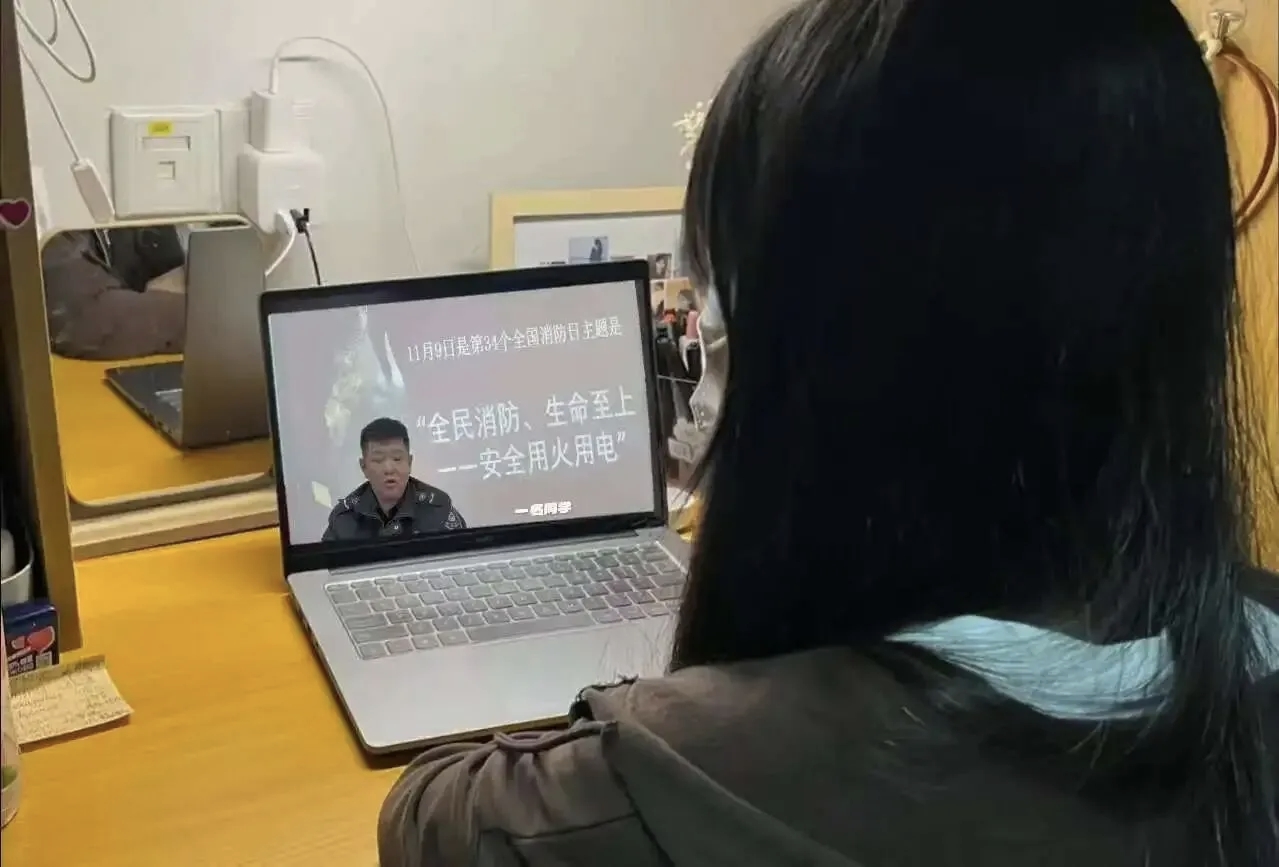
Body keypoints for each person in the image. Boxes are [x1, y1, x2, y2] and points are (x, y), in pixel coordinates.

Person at [379, 2, 1279, 866]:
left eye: (720, 341)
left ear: (837, 386)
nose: (704, 404)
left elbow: (429, 819)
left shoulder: (662, 782)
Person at [322, 418, 465, 542]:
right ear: (363, 467)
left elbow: (464, 558)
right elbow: (326, 564)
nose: (389, 469)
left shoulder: (438, 509)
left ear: (409, 462)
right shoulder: (344, 519)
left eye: (397, 459)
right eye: (378, 460)